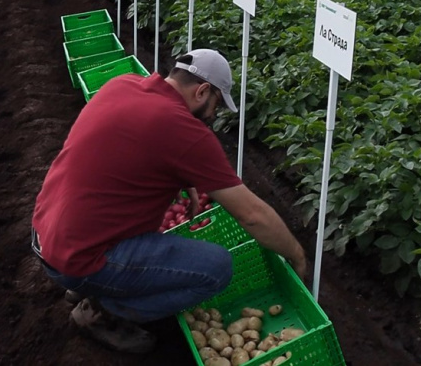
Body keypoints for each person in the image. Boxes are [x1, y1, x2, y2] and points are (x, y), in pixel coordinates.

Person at [31, 48, 307, 354]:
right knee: (216, 269)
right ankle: (103, 311)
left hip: (46, 236)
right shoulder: (185, 131)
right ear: (202, 91)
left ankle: (86, 284)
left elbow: (127, 152)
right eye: (217, 103)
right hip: (80, 261)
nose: (214, 115)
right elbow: (252, 215)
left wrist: (186, 181)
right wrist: (296, 253)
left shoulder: (122, 84)